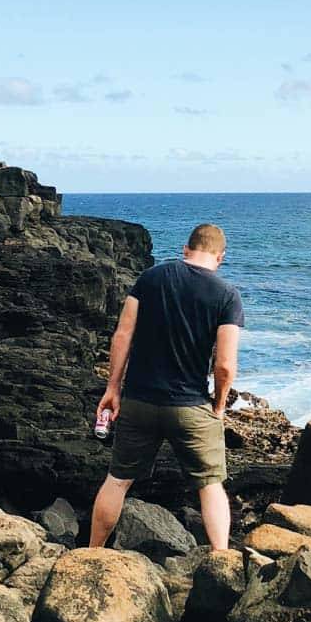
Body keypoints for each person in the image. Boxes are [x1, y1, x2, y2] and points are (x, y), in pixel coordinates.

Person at [89, 222, 244, 552]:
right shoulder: (227, 295)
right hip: (190, 406)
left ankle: (93, 553)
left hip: (139, 400)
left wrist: (113, 388)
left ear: (186, 250)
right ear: (221, 257)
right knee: (211, 485)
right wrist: (218, 406)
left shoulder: (151, 278)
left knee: (117, 480)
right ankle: (222, 562)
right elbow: (225, 365)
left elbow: (122, 335)